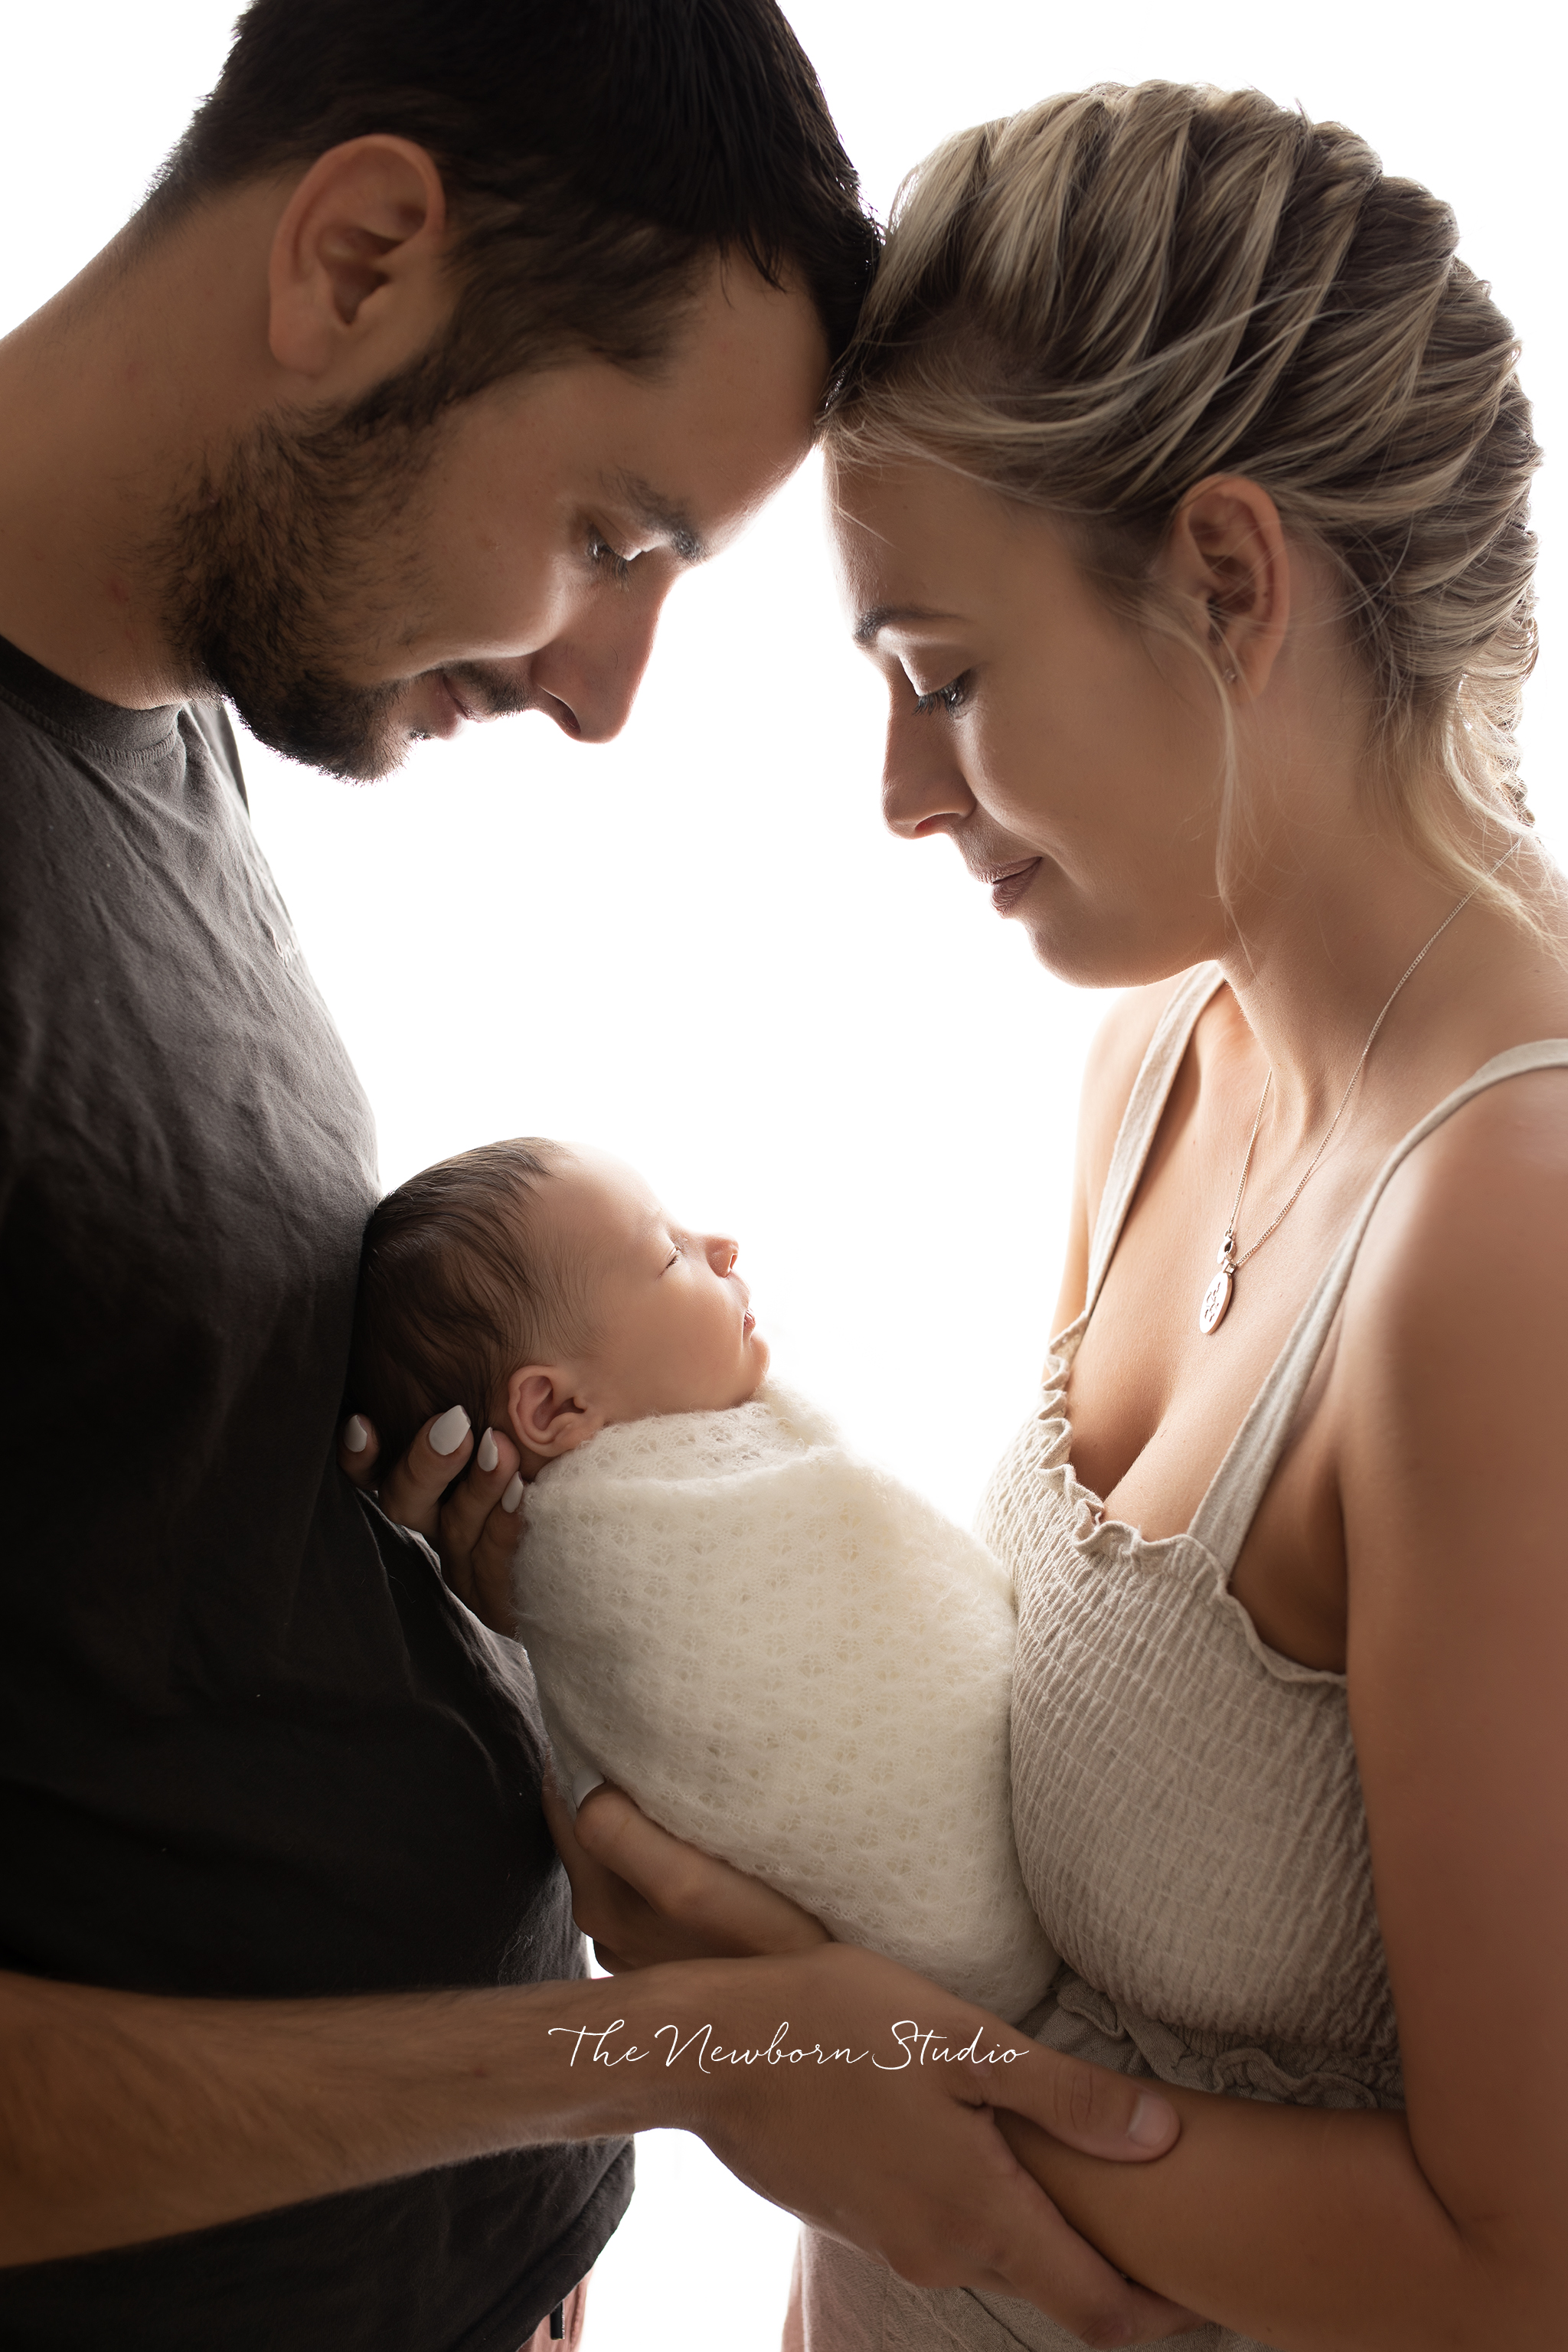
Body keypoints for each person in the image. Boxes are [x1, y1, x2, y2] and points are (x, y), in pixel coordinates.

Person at [0, 9, 1192, 2350]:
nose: (607, 685)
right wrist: (675, 2060)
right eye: (612, 536)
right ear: (355, 260)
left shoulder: (167, 733)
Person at [776, 76, 1568, 2348]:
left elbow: (1520, 2265)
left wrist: (852, 2100)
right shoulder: (1157, 1054)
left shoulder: (1498, 1236)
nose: (900, 793)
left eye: (940, 677)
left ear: (1226, 577)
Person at [343, 1136, 1057, 2022]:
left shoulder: (689, 1476)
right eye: (665, 1253)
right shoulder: (616, 1553)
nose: (720, 1246)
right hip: (940, 1951)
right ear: (555, 1408)